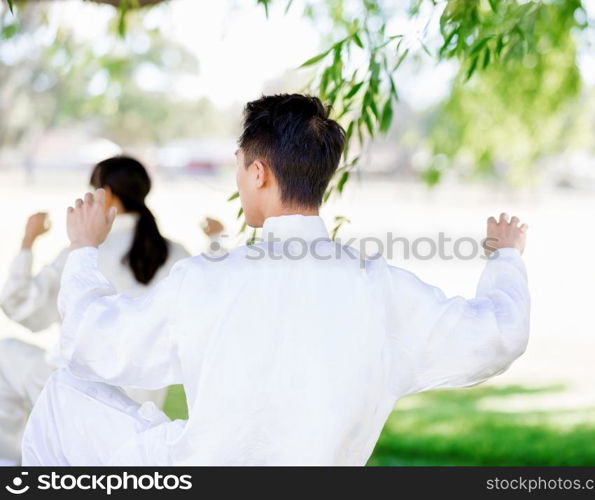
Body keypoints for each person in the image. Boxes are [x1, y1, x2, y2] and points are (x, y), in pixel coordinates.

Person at [22, 94, 530, 466]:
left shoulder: (206, 280)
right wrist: (505, 259)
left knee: (62, 394)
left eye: (240, 168)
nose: (239, 180)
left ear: (260, 173)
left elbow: (91, 342)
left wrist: (83, 251)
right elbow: (499, 335)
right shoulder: (380, 288)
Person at [0, 156, 222, 465]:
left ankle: (9, 464)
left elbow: (20, 306)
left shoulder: (84, 252)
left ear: (108, 195)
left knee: (5, 355)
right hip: (141, 411)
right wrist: (217, 241)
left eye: (93, 190)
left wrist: (28, 241)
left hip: (80, 398)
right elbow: (213, 299)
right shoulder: (175, 255)